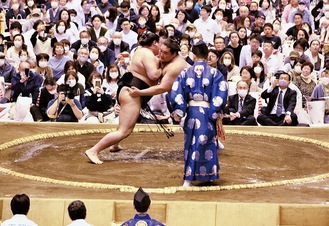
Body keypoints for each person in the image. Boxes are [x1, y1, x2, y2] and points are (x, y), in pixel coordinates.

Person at [84, 32, 162, 164]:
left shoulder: (141, 51)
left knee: (124, 125)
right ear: (154, 43)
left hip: (128, 89)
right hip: (131, 93)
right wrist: (163, 67)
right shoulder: (147, 53)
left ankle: (115, 145)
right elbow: (154, 75)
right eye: (159, 43)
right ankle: (93, 150)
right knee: (125, 130)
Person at [170, 40, 228, 187]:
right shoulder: (215, 73)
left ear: (193, 56)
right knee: (206, 143)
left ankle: (189, 179)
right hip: (207, 113)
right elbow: (220, 94)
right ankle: (208, 176)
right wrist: (215, 113)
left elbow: (176, 91)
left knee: (191, 144)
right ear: (207, 56)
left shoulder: (185, 72)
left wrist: (179, 110)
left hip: (191, 112)